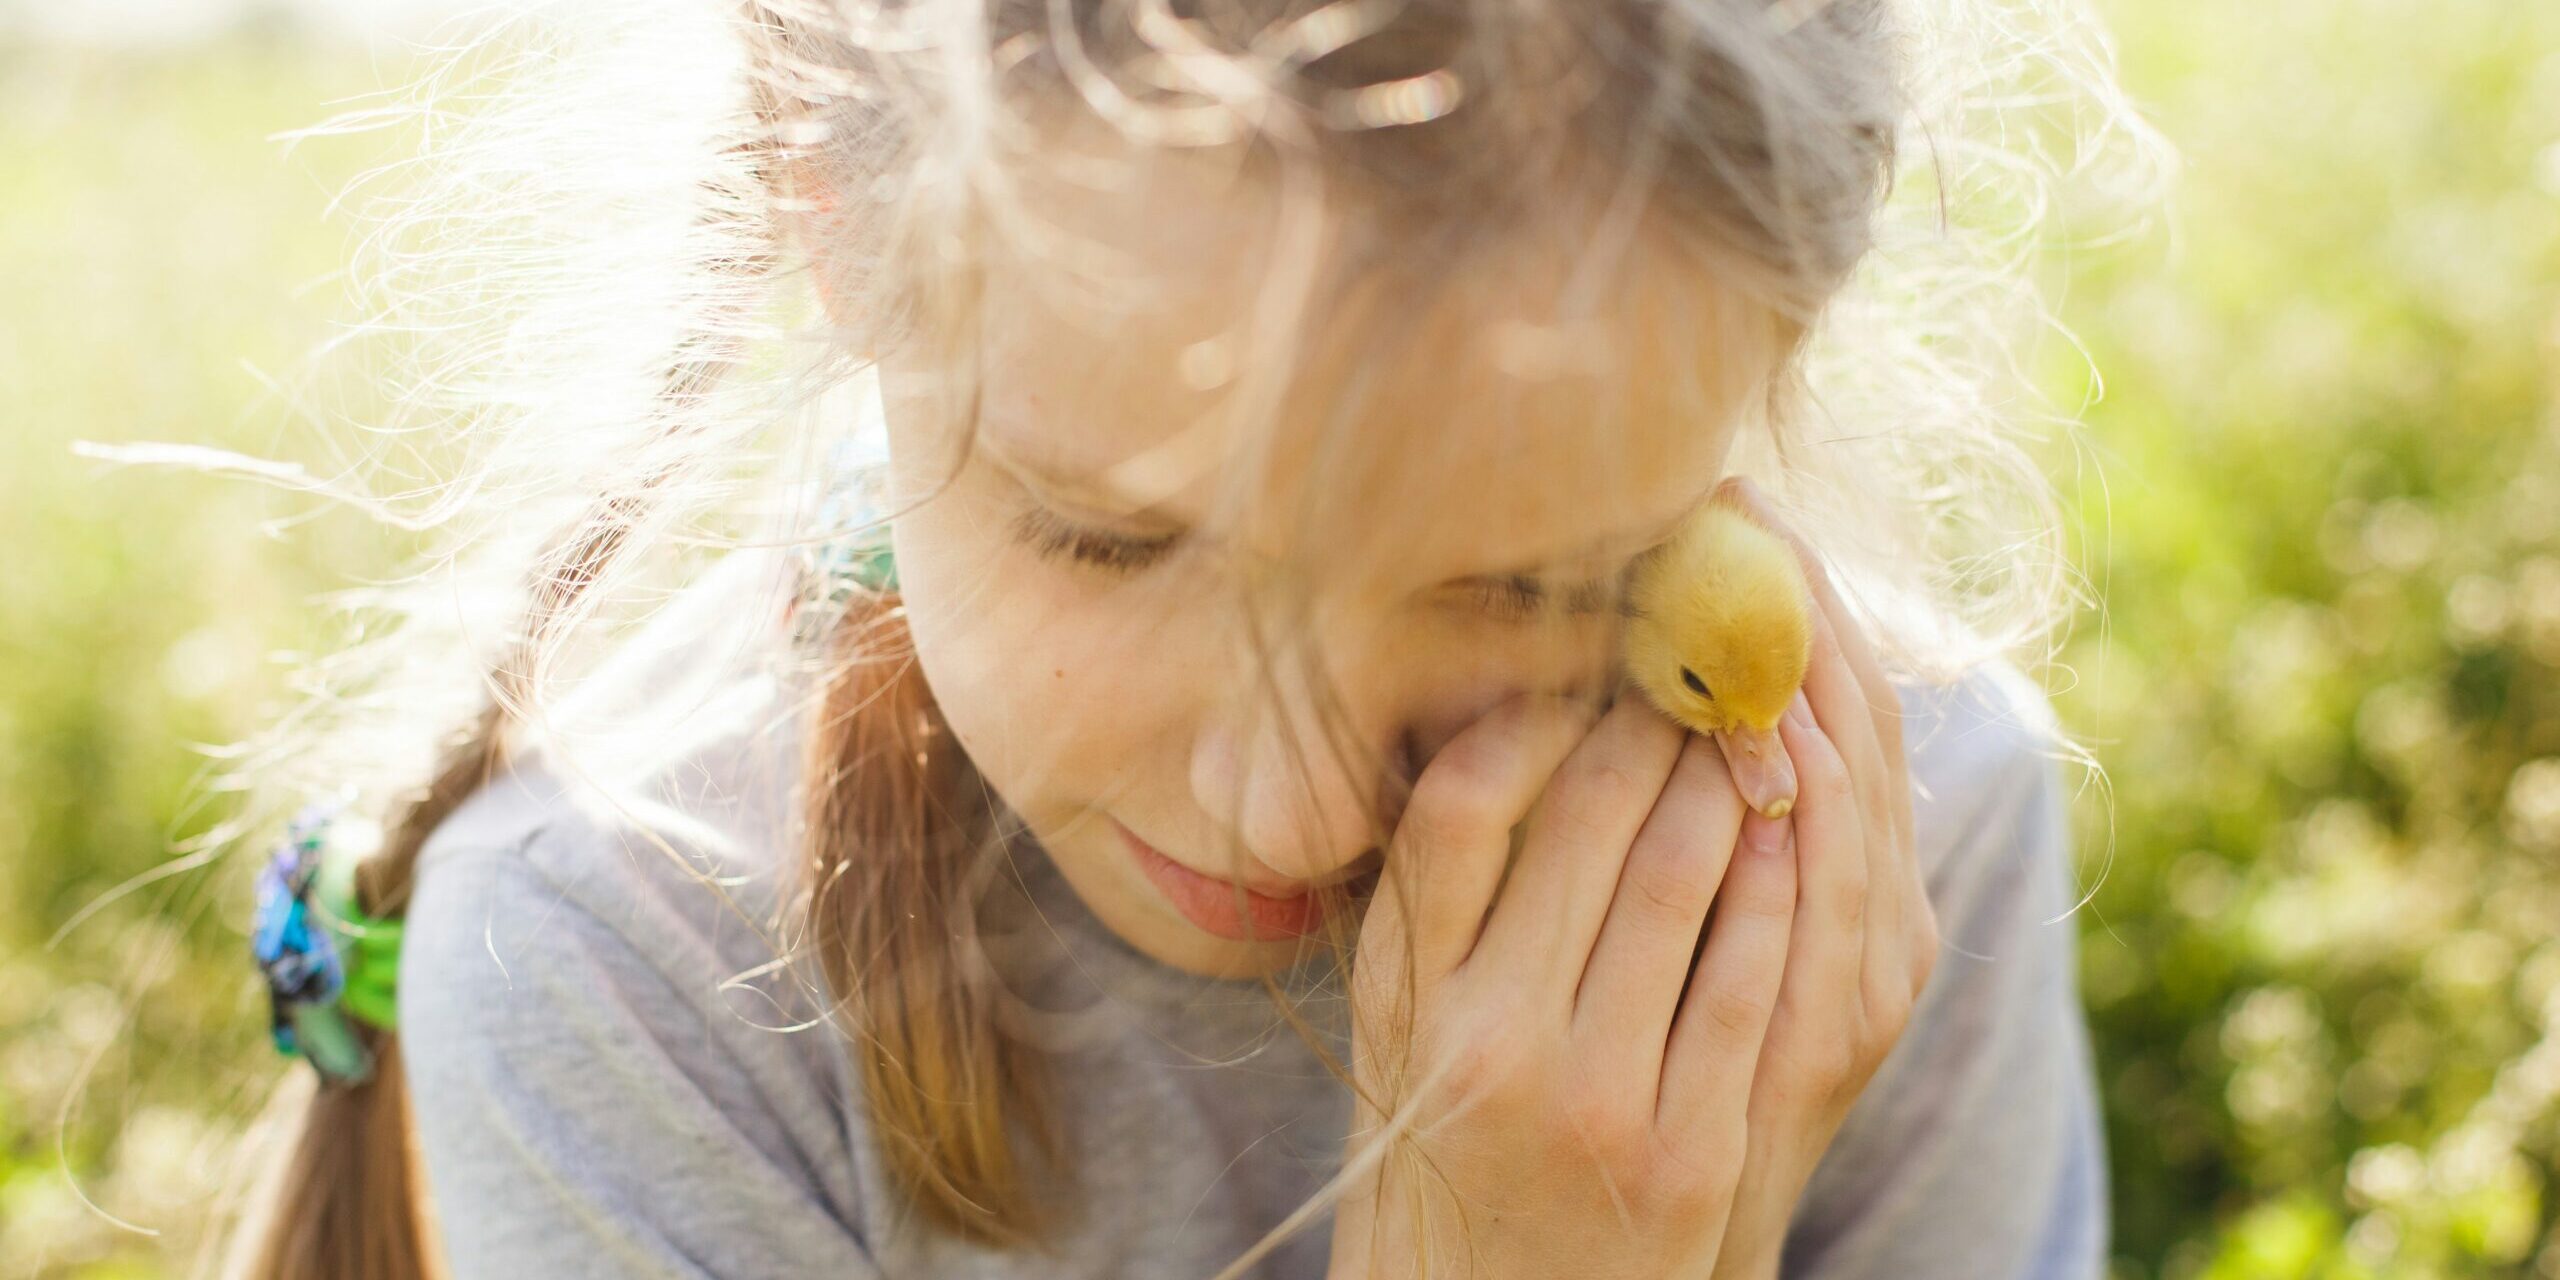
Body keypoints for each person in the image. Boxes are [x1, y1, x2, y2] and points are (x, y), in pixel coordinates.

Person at [213, 0, 2153, 1276]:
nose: (1285, 800)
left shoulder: (1880, 862)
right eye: (1102, 538)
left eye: (1523, 580)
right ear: (827, 221)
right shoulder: (624, 977)